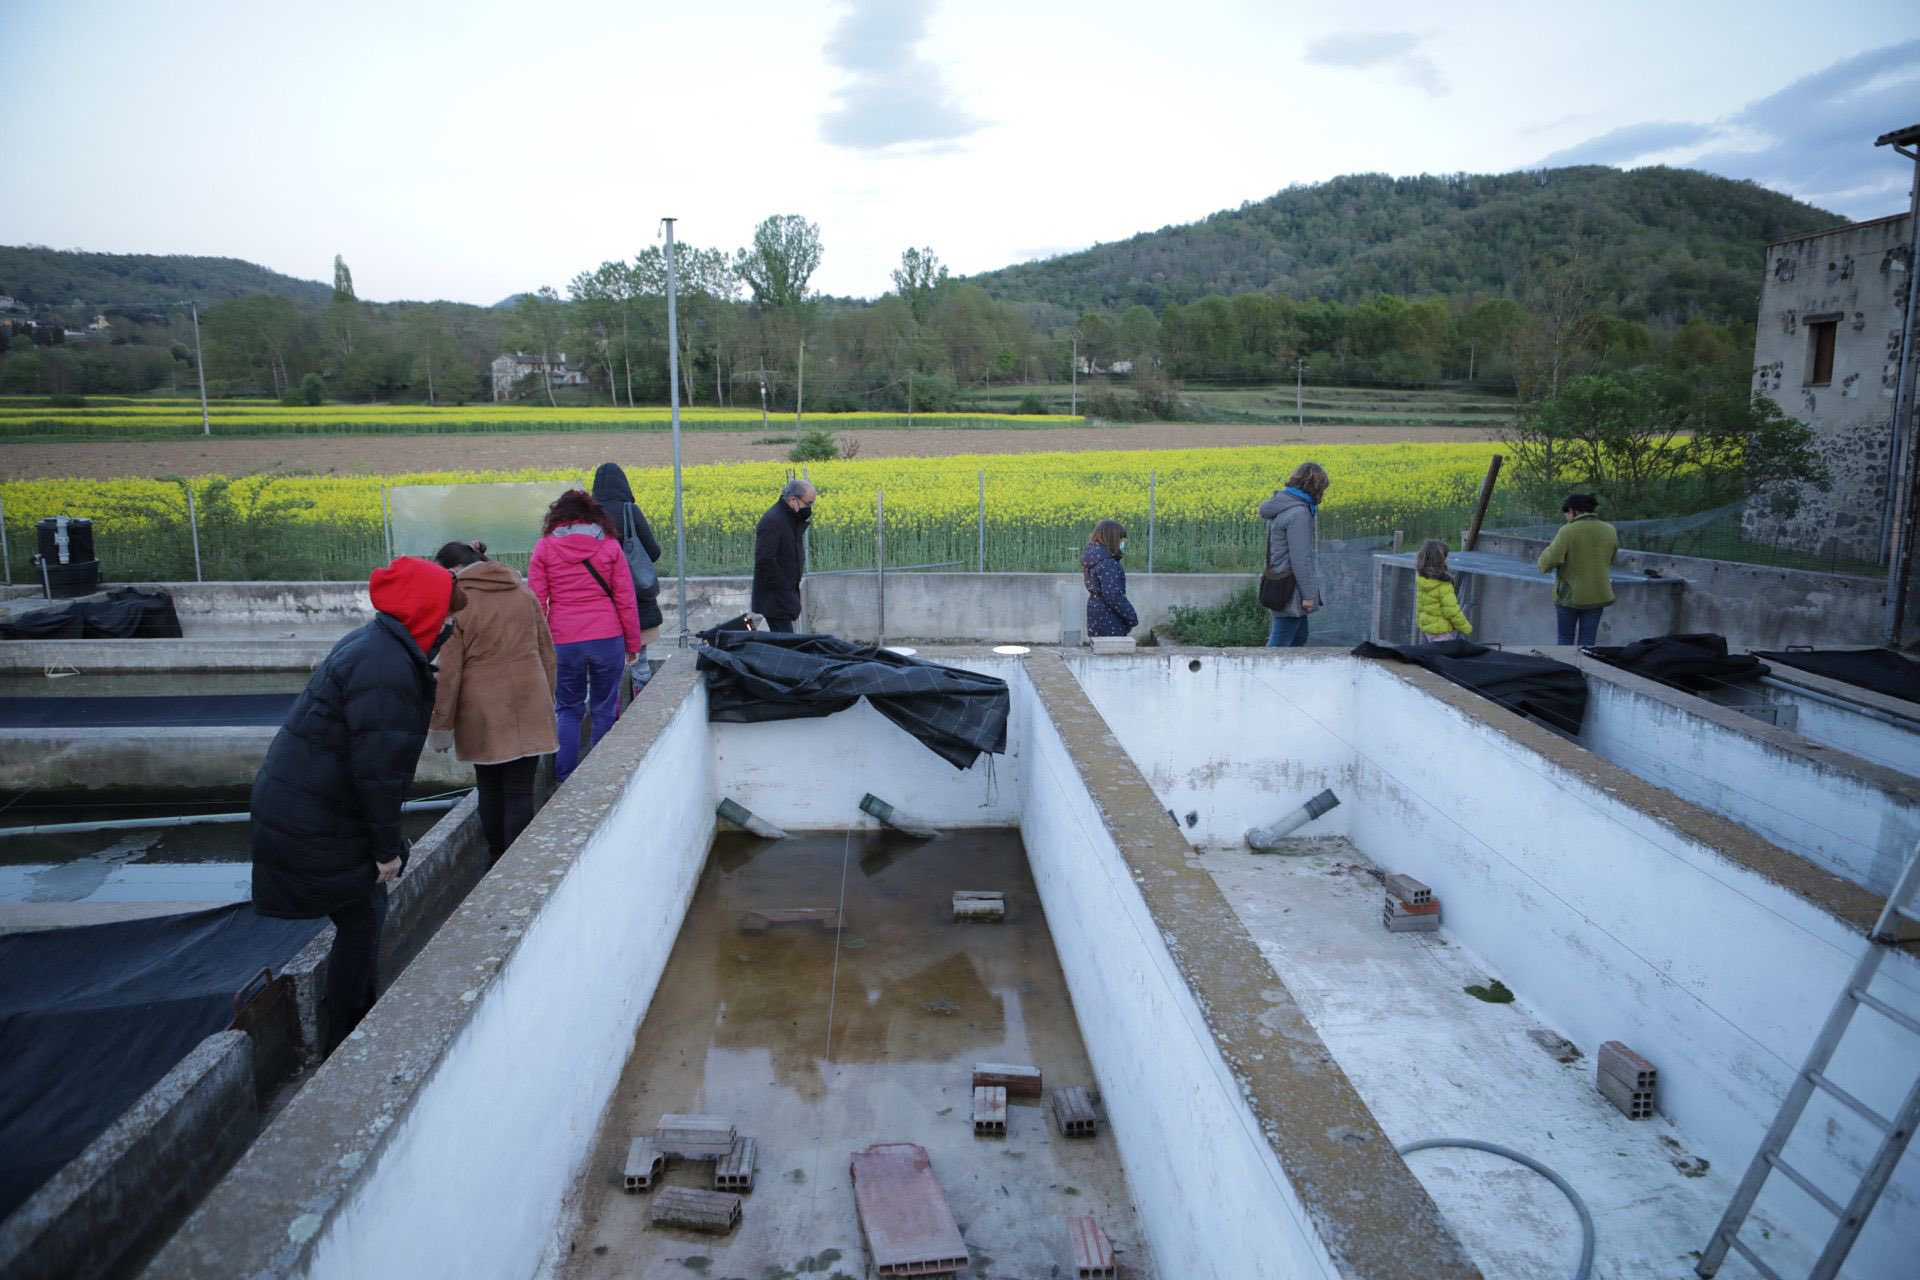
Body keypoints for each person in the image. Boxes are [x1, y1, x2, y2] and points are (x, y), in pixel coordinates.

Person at [250, 556, 454, 1053]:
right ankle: (346, 1040)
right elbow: (378, 774)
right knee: (362, 916)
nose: (450, 625)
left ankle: (353, 1026)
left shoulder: (378, 647)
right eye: (446, 614)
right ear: (424, 613)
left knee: (363, 914)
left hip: (307, 806)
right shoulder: (386, 669)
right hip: (312, 816)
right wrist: (386, 850)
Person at [428, 541, 558, 864]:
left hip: (483, 709)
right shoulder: (523, 593)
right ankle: (518, 866)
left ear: (453, 570)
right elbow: (547, 652)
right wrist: (547, 698)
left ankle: (498, 855)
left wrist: (441, 725)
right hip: (531, 697)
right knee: (520, 790)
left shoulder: (458, 605)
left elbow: (449, 673)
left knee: (489, 787)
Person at [528, 489, 642, 782]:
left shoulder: (544, 548)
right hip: (607, 637)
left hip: (563, 639)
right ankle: (599, 777)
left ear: (557, 517)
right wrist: (632, 643)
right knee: (604, 707)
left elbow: (536, 603)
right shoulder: (609, 546)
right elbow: (626, 599)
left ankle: (565, 777)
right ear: (595, 515)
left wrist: (539, 647)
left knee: (567, 709)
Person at [590, 463, 664, 692]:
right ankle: (640, 710)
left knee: (603, 668)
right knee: (640, 661)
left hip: (600, 598)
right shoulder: (630, 511)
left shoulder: (588, 515)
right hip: (635, 597)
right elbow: (653, 551)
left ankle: (607, 715)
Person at [1257, 462, 1328, 647]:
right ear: (1315, 487)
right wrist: (1309, 595)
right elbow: (1300, 560)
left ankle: (1289, 674)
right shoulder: (1299, 513)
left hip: (1278, 580)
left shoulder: (1282, 505)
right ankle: (1267, 673)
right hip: (1290, 587)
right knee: (1280, 641)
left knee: (1299, 637)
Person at [1537, 493, 1619, 646]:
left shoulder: (1568, 531)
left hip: (1570, 596)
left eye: (1565, 510)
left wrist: (1542, 563)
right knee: (1587, 644)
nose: (1565, 515)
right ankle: (1583, 670)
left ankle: (1565, 670)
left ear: (1574, 510)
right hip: (1598, 595)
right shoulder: (1609, 530)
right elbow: (1611, 557)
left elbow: (1548, 561)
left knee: (1565, 641)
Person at [752, 479, 814, 633]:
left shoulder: (789, 518)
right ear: (793, 500)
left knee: (784, 645)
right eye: (808, 503)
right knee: (787, 646)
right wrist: (785, 593)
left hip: (783, 596)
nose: (810, 508)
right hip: (775, 598)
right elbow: (764, 561)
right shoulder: (772, 521)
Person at [1082, 519, 1138, 638]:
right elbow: (1113, 595)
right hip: (1109, 618)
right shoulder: (1108, 563)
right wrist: (1131, 616)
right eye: (1120, 539)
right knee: (1113, 653)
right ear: (1112, 538)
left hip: (1095, 613)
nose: (1122, 542)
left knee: (1098, 650)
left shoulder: (1093, 558)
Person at [1414, 539, 1473, 642]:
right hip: (1442, 632)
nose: (1448, 560)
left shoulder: (1422, 579)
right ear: (1440, 560)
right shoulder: (1443, 585)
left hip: (1428, 630)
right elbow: (1452, 611)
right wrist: (1466, 628)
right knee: (1443, 655)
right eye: (1446, 557)